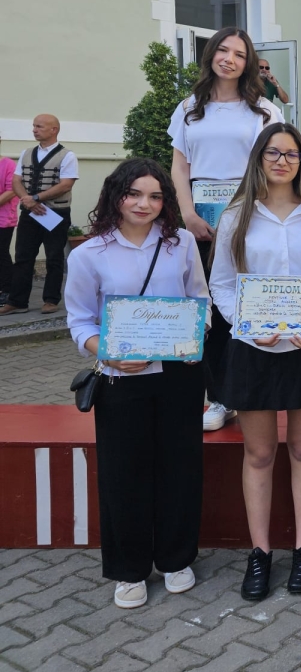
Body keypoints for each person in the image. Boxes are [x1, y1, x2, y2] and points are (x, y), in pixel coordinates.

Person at [64, 158, 210, 609]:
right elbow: (80, 321)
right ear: (116, 195)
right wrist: (106, 352)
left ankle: (176, 558)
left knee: (180, 467)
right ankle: (129, 569)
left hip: (179, 375)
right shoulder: (89, 254)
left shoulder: (181, 243)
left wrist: (195, 334)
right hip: (121, 379)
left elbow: (200, 299)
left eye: (155, 196)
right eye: (134, 193)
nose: (144, 204)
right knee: (123, 473)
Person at [209, 123, 301, 602]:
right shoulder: (236, 217)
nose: (282, 161)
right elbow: (222, 284)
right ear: (259, 158)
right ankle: (260, 552)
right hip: (254, 348)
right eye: (273, 152)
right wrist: (245, 325)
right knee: (260, 454)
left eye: (291, 153)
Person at [168, 26, 283, 432]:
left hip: (250, 219)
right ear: (211, 55)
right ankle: (219, 397)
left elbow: (275, 166)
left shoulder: (264, 111)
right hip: (201, 221)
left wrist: (245, 219)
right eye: (223, 50)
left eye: (239, 53)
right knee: (211, 312)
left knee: (250, 306)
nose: (229, 59)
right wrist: (188, 214)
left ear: (248, 62)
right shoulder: (189, 108)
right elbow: (180, 167)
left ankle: (258, 393)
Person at [1, 115, 78, 316]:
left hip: (56, 212)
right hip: (30, 213)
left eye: (39, 126)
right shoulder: (26, 153)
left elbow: (66, 184)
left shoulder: (67, 155)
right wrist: (28, 200)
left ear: (54, 130)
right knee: (23, 256)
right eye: (34, 126)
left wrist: (36, 198)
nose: (34, 130)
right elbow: (16, 180)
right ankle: (17, 301)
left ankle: (51, 300)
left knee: (54, 256)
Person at [0, 137, 17, 306]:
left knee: (1, 252)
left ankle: (7, 290)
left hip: (3, 218)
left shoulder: (9, 164)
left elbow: (12, 190)